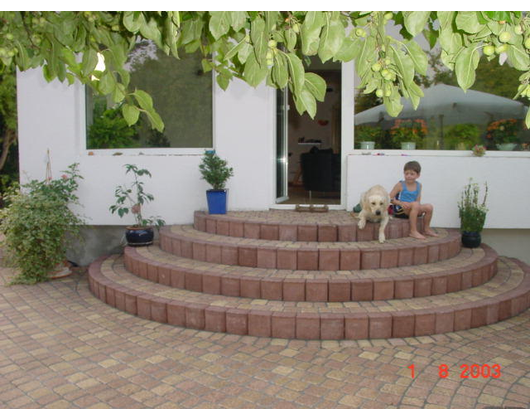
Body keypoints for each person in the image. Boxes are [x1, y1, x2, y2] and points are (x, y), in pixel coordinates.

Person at [389, 161, 438, 239]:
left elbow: (418, 200)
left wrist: (418, 207)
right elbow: (389, 198)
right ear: (404, 173)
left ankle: (426, 229)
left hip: (413, 208)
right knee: (415, 204)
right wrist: (400, 203)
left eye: (412, 174)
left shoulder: (419, 185)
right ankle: (413, 231)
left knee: (429, 207)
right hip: (401, 210)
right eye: (406, 173)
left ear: (418, 175)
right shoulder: (400, 185)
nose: (409, 176)